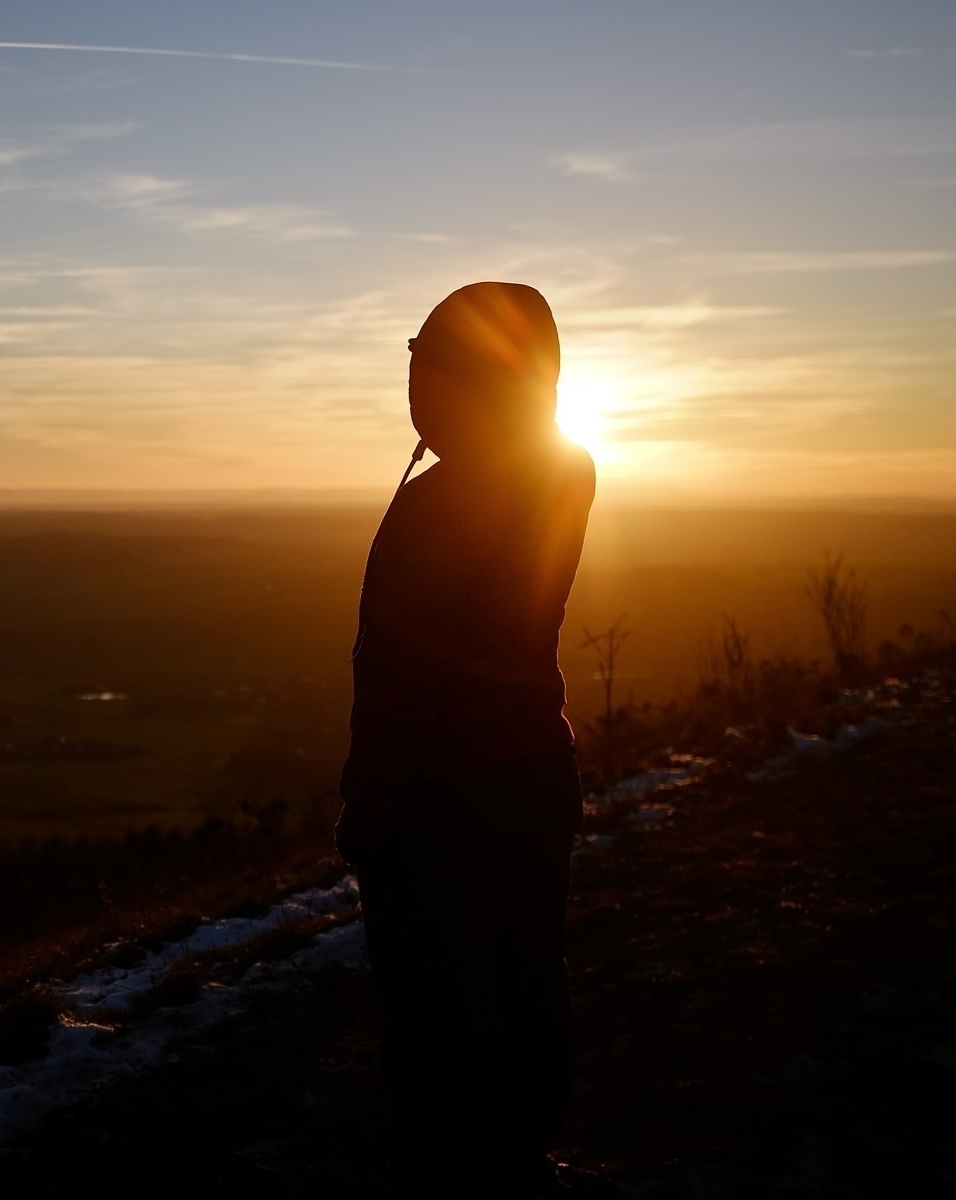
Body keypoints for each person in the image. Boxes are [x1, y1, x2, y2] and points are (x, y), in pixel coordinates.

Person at [336, 282, 601, 1196]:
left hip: (444, 803)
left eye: (425, 366)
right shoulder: (568, 467)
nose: (412, 387)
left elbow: (404, 685)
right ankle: (521, 1155)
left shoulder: (438, 510)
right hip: (535, 772)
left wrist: (367, 814)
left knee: (432, 1010)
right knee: (526, 980)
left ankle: (451, 1167)